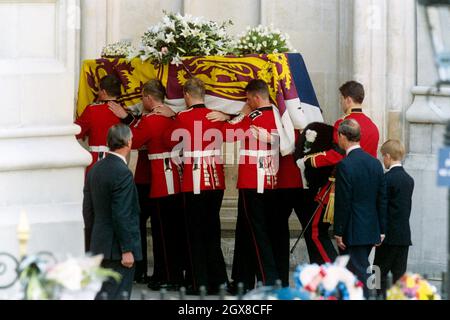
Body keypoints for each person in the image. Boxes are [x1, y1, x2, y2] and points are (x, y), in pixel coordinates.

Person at [164, 77, 228, 295]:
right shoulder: (216, 117)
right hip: (216, 181)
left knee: (195, 234)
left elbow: (168, 140)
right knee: (213, 232)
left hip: (194, 182)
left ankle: (199, 281)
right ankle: (219, 281)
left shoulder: (182, 117)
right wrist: (227, 115)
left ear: (187, 95)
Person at [219, 79, 282, 292]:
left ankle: (268, 280)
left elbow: (226, 133)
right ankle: (241, 280)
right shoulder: (277, 116)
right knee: (245, 231)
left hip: (252, 181)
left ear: (256, 98)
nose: (247, 103)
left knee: (256, 233)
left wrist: (242, 113)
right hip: (270, 181)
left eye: (248, 99)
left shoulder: (253, 116)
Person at [83, 124, 142, 300]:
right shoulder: (122, 172)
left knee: (102, 295)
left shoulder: (95, 169)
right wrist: (127, 249)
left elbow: (88, 211)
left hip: (98, 244)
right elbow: (122, 213)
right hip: (117, 250)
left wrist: (91, 244)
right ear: (129, 142)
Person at [334, 119, 387, 298]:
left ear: (342, 136)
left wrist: (338, 230)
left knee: (359, 273)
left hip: (353, 229)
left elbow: (343, 201)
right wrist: (382, 229)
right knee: (354, 272)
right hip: (370, 228)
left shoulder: (345, 165)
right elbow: (382, 198)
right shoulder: (375, 163)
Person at [304, 81, 379, 169]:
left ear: (348, 100)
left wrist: (310, 160)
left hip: (348, 178)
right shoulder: (373, 126)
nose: (341, 103)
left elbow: (336, 155)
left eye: (341, 99)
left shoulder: (342, 123)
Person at [293, 122, 338, 265]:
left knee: (315, 231)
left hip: (323, 190)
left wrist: (305, 161)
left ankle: (334, 270)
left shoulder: (324, 131)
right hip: (320, 189)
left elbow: (334, 156)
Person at [374, 139, 414, 299]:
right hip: (404, 236)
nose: (383, 159)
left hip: (388, 236)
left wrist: (380, 232)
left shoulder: (386, 179)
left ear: (388, 156)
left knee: (378, 272)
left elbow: (382, 208)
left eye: (383, 156)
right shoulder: (409, 179)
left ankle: (377, 297)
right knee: (399, 276)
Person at [75, 75, 126, 176]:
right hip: (120, 160)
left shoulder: (92, 110)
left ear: (104, 92)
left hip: (98, 160)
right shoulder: (125, 111)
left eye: (99, 90)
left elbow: (77, 132)